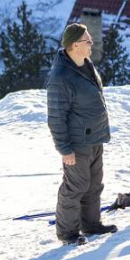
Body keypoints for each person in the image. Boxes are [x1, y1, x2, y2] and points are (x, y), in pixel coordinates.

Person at [46, 22, 116, 245]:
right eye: (88, 41)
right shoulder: (60, 78)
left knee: (94, 184)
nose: (91, 44)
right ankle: (67, 233)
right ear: (75, 45)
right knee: (75, 187)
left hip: (95, 138)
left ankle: (91, 224)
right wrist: (64, 149)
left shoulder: (86, 65)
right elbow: (56, 117)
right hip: (77, 143)